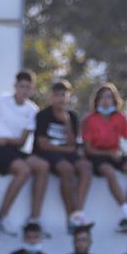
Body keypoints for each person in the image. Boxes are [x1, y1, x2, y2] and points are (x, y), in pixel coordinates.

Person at [0, 70, 43, 235]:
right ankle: (2, 216)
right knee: (24, 171)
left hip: (13, 148)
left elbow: (22, 141)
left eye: (28, 87)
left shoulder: (32, 109)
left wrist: (5, 139)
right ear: (15, 86)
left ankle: (35, 218)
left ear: (32, 89)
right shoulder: (1, 100)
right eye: (21, 86)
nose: (24, 91)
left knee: (42, 166)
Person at [77, 82, 127, 232]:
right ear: (96, 101)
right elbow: (88, 149)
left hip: (115, 155)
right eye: (102, 98)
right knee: (110, 173)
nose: (106, 101)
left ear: (115, 100)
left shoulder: (120, 117)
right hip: (97, 156)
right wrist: (108, 154)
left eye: (109, 97)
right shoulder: (90, 119)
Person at [32, 79, 86, 231]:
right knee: (66, 169)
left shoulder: (73, 117)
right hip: (47, 155)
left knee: (85, 166)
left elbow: (73, 143)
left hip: (64, 153)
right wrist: (66, 149)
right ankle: (70, 216)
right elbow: (43, 144)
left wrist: (67, 123)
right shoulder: (43, 115)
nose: (61, 99)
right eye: (57, 95)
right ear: (51, 97)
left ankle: (78, 212)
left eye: (64, 95)